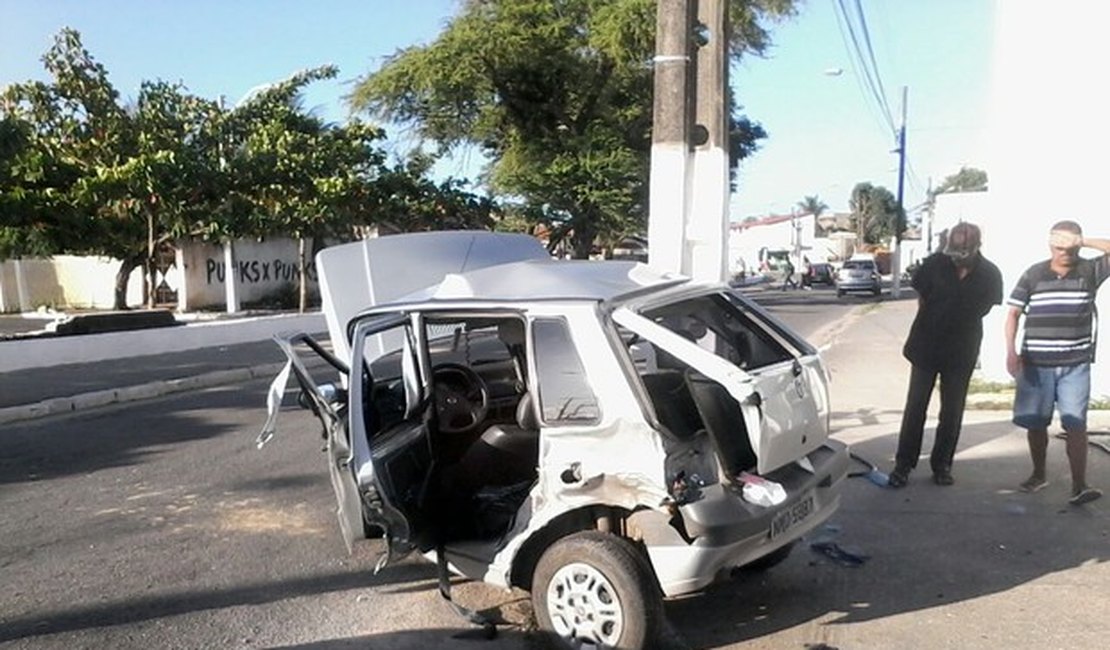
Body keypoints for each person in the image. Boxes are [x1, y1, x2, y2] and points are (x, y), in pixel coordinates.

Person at [888, 222, 1002, 488]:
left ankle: (942, 465)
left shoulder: (989, 273)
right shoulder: (933, 265)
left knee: (952, 411)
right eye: (956, 244)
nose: (960, 251)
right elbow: (923, 299)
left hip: (962, 349)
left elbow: (985, 308)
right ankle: (903, 465)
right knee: (916, 407)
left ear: (977, 245)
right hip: (926, 345)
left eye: (965, 245)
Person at [1005, 220, 1110, 505]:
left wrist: (1083, 240)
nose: (1063, 251)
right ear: (1050, 244)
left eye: (1069, 245)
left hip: (1075, 363)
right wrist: (1011, 352)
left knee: (1076, 424)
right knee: (1036, 423)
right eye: (1058, 245)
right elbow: (1013, 313)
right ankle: (1038, 474)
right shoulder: (1034, 274)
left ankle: (1080, 485)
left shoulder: (1089, 270)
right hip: (1036, 363)